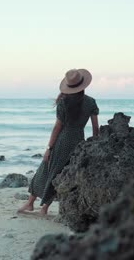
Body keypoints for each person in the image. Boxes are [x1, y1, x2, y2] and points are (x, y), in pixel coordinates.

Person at [18, 68, 99, 215]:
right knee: (61, 174)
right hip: (78, 142)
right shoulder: (91, 102)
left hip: (62, 141)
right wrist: (93, 145)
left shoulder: (63, 103)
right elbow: (95, 128)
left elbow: (57, 128)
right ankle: (44, 208)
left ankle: (30, 203)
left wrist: (49, 147)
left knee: (45, 170)